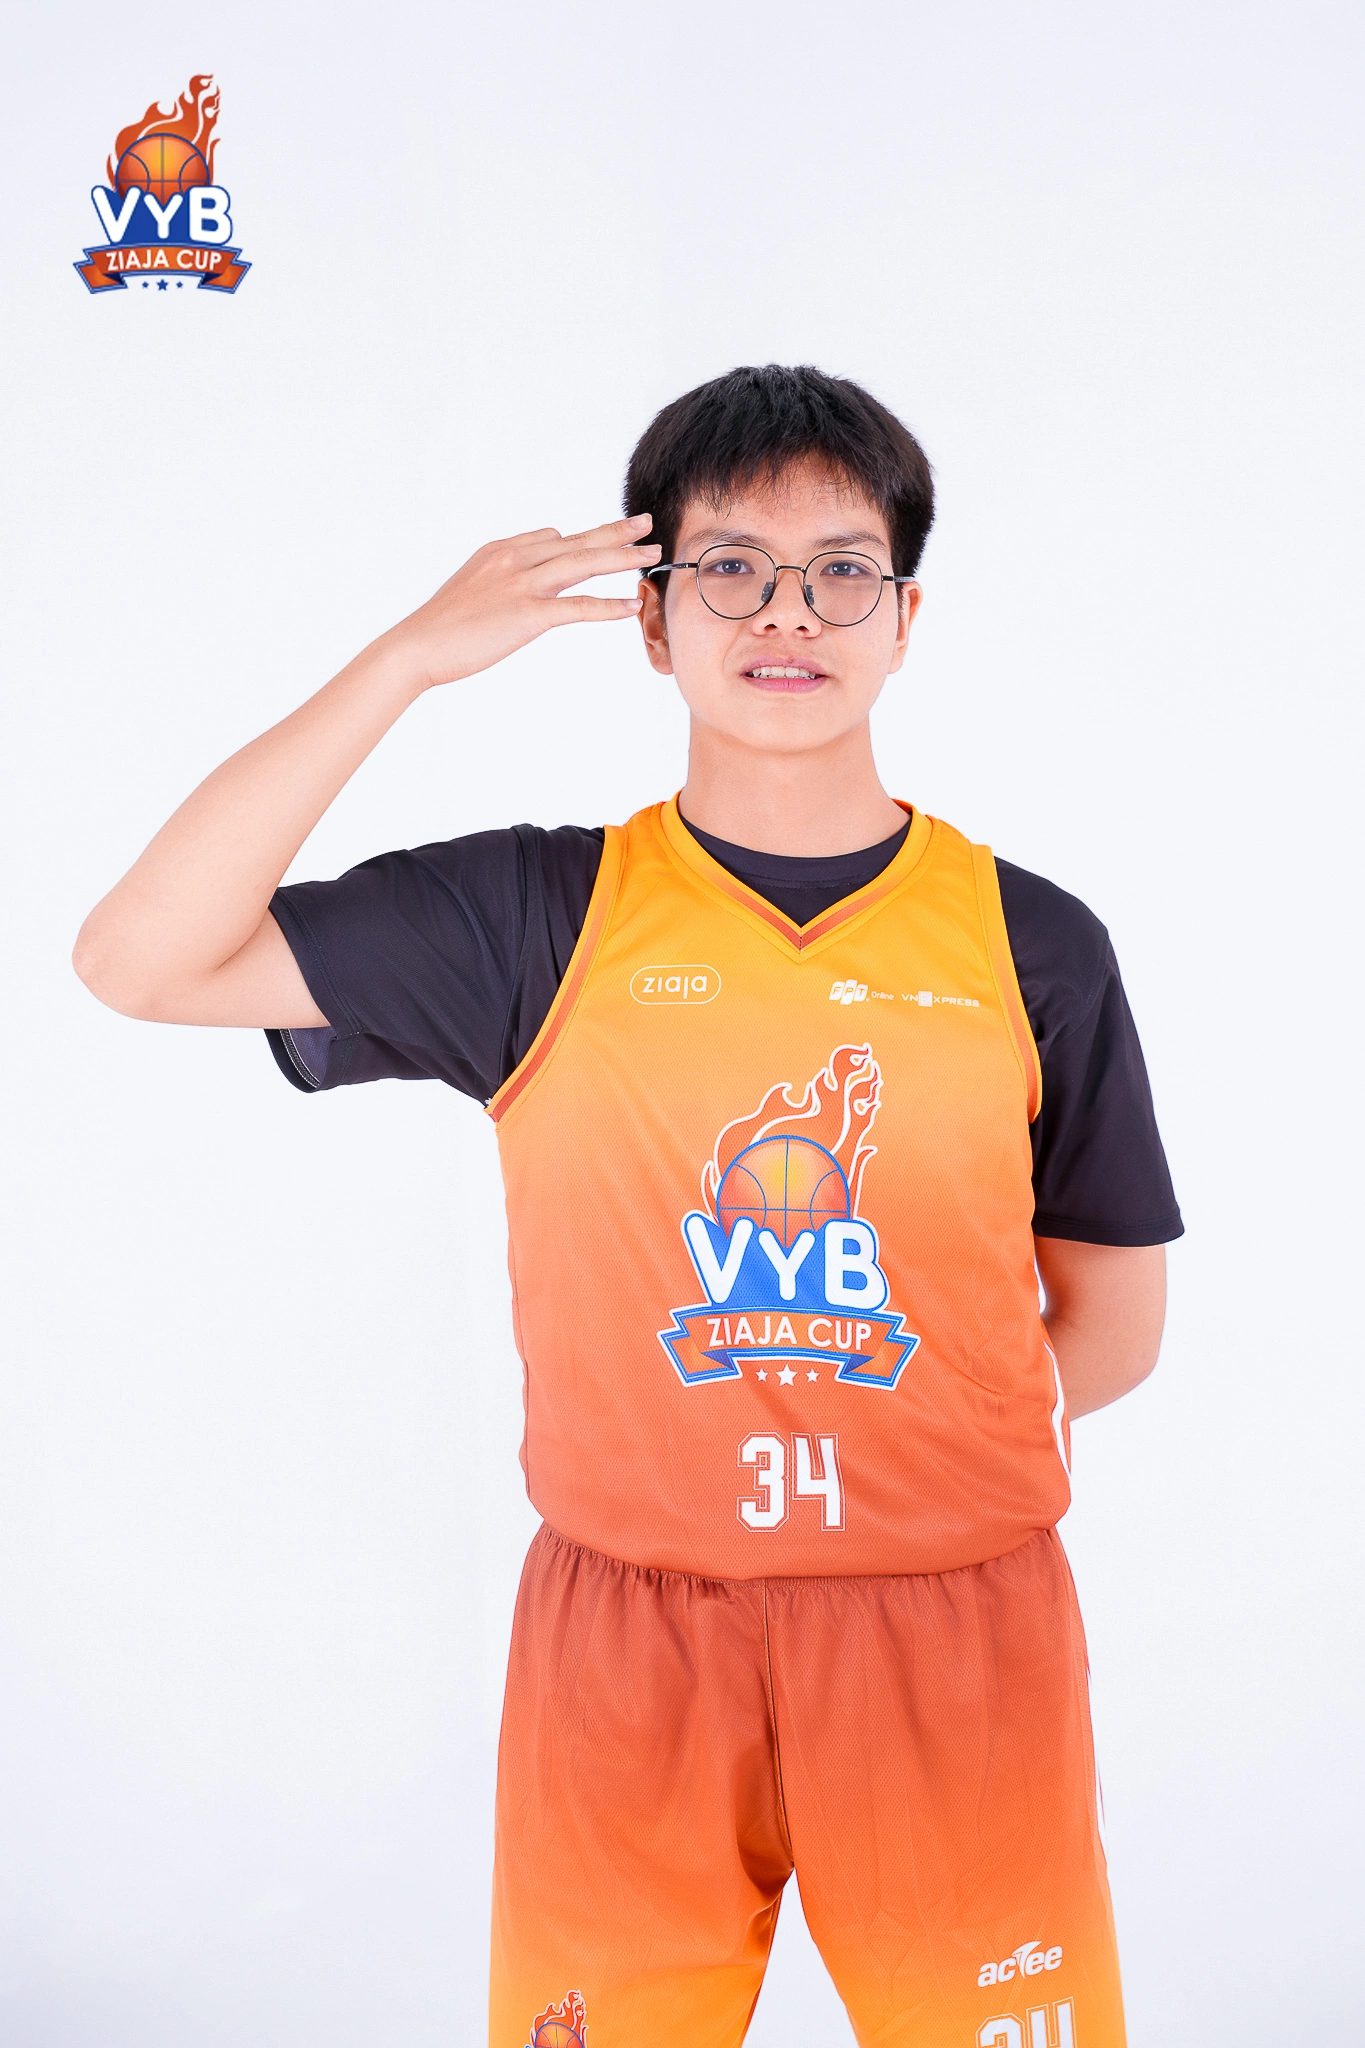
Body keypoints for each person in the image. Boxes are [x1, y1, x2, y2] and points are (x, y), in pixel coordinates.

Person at [74, 364, 1181, 2048]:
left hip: (957, 1636)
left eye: (841, 569)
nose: (787, 611)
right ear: (652, 621)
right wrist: (409, 659)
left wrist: (881, 1455)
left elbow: (1112, 1325)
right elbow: (138, 960)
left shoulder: (1032, 943)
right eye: (729, 566)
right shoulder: (533, 916)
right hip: (628, 1639)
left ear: (905, 618)